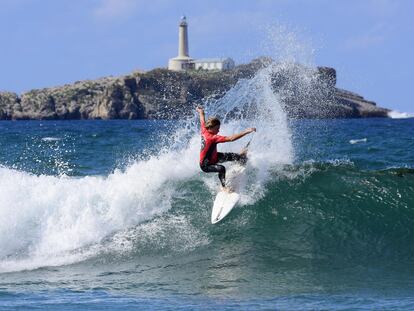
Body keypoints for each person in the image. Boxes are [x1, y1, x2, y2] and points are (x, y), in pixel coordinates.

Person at [196, 106, 256, 190]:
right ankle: (224, 186)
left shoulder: (204, 129)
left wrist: (200, 111)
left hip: (215, 157)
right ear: (211, 128)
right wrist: (245, 131)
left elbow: (202, 118)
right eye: (217, 129)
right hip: (206, 165)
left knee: (236, 156)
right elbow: (231, 138)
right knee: (221, 168)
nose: (218, 131)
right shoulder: (212, 137)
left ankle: (241, 159)